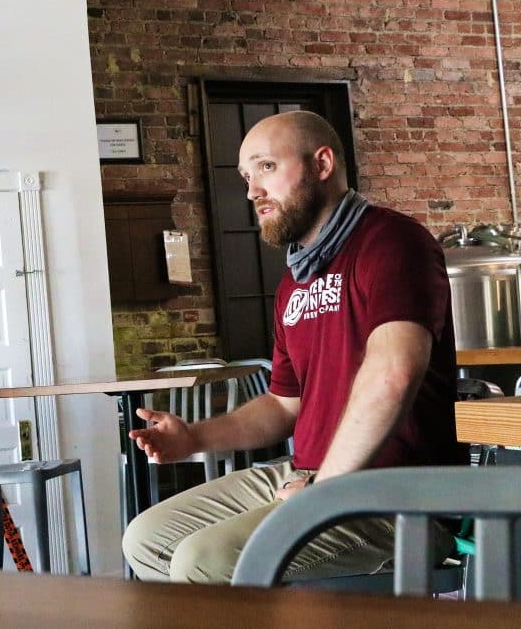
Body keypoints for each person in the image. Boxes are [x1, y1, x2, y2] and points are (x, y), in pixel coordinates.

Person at [122, 110, 466, 583]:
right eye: (246, 176)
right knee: (145, 538)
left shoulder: (391, 242)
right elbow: (285, 405)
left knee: (204, 560)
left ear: (322, 164)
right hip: (307, 473)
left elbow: (394, 373)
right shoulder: (296, 281)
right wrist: (195, 438)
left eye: (266, 167)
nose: (251, 191)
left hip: (397, 493)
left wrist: (321, 491)